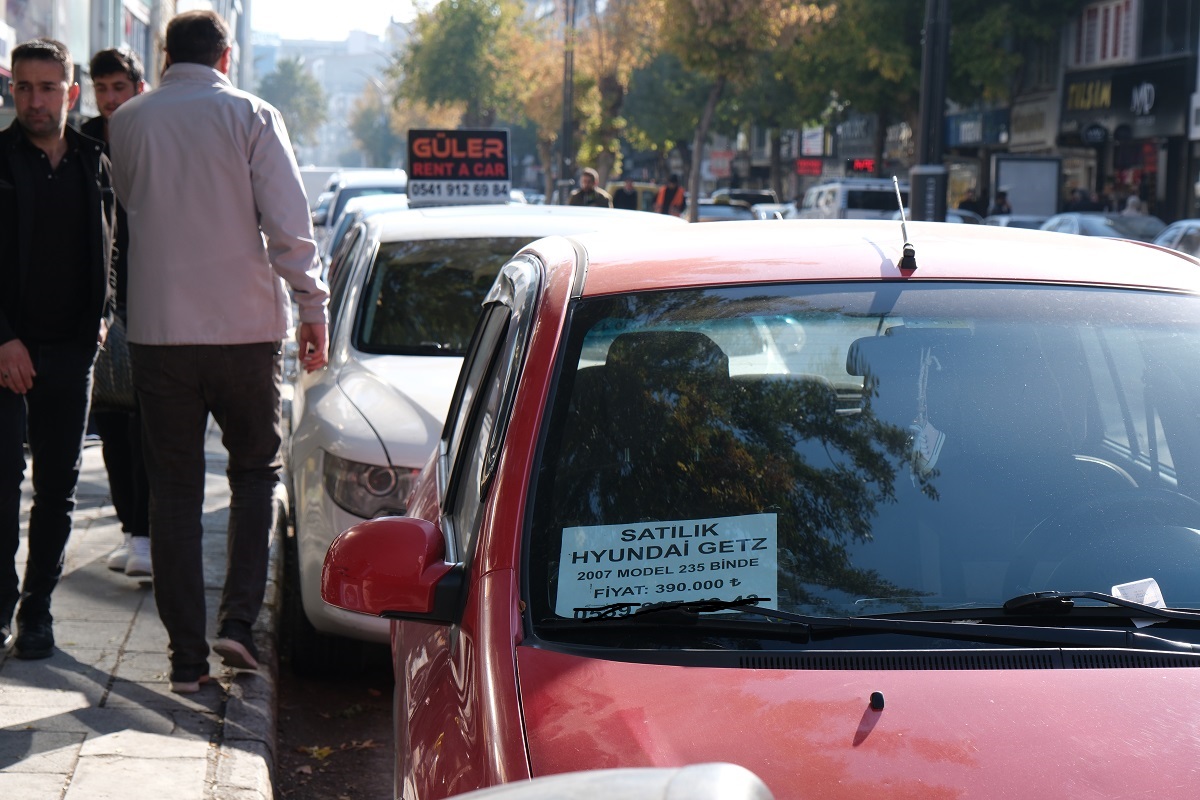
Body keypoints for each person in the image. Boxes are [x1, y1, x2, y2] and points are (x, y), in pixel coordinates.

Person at [108, 10, 330, 694]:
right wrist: (311, 305)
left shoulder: (130, 121)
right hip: (242, 330)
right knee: (254, 474)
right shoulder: (253, 116)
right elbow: (289, 224)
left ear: (166, 54)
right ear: (226, 57)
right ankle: (237, 621)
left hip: (159, 331)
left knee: (172, 492)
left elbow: (129, 205)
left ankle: (185, 660)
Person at [0, 38, 117, 658]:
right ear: (11, 89)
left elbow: (110, 250)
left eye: (48, 88)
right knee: (1, 484)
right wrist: (4, 340)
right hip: (3, 350)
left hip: (71, 352)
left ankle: (36, 611)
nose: (35, 100)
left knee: (58, 489)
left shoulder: (94, 161)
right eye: (24, 87)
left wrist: (101, 318)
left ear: (71, 94)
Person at [81, 47, 151, 579]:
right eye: (102, 88)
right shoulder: (81, 138)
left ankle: (147, 535)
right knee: (109, 419)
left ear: (137, 88)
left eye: (118, 88)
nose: (109, 99)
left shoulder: (152, 134)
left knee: (145, 427)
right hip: (96, 303)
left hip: (149, 296)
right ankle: (132, 531)